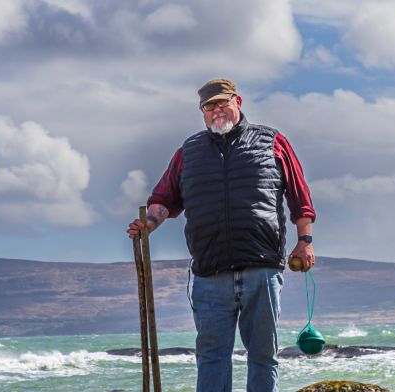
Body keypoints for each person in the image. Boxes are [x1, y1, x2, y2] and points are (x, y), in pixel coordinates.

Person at [127, 78, 316, 392]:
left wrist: (305, 241)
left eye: (221, 102)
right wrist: (148, 224)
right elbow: (163, 199)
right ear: (202, 112)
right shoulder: (188, 152)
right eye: (209, 106)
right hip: (209, 275)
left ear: (237, 102)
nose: (217, 110)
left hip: (262, 270)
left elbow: (299, 196)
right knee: (212, 357)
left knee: (263, 356)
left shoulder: (271, 141)